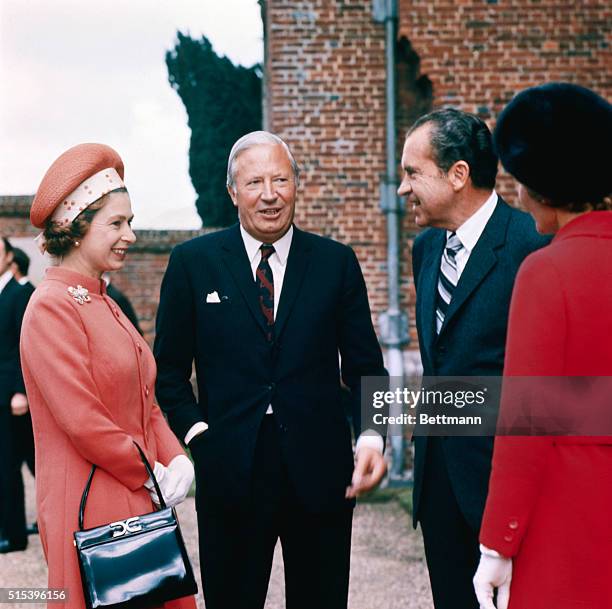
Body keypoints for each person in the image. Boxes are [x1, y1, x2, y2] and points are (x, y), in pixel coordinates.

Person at [154, 130, 388, 609]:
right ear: (232, 191)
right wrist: (200, 436)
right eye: (255, 181)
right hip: (230, 474)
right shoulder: (192, 264)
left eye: (280, 179)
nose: (269, 194)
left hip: (320, 474)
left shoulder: (335, 263)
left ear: (296, 184)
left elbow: (367, 367)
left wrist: (371, 437)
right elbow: (169, 373)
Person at [19, 143, 196, 609]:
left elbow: (146, 399)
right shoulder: (50, 308)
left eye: (130, 222)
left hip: (136, 495)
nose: (130, 236)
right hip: (91, 501)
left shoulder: (106, 301)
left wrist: (175, 456)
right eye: (116, 224)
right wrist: (150, 468)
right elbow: (83, 419)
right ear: (76, 230)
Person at [397, 108, 549, 609]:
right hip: (439, 491)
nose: (403, 189)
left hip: (506, 492)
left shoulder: (531, 244)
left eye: (412, 173)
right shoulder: (425, 249)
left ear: (458, 175)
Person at [473, 84, 612, 609]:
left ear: (547, 187)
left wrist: (497, 543)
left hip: (569, 521)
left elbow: (524, 425)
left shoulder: (547, 270)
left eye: (522, 183)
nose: (519, 196)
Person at [0, 236, 31, 553]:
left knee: (8, 465)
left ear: (9, 257)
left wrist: (21, 390)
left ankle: (15, 534)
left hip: (12, 396)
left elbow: (26, 345)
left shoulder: (19, 295)